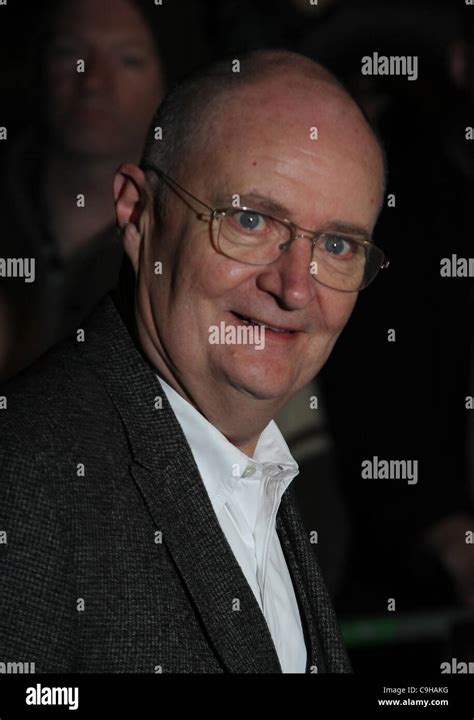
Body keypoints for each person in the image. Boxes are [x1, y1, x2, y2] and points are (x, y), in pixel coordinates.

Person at [0, 50, 387, 673]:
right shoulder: (24, 486)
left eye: (338, 245)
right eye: (252, 220)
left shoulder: (264, 475)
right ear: (137, 213)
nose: (294, 288)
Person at [0, 0, 165, 380]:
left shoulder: (182, 245)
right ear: (38, 70)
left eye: (129, 60)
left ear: (166, 82)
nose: (93, 80)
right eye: (69, 53)